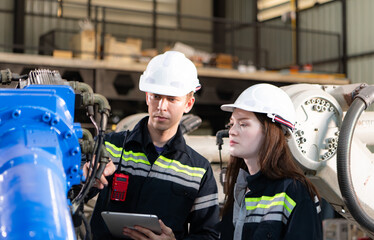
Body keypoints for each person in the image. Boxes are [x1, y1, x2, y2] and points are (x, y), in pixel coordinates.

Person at [84, 51, 220, 240]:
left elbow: (209, 235)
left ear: (188, 104)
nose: (161, 106)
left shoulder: (199, 169)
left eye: (172, 99)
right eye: (156, 96)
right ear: (147, 97)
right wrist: (86, 177)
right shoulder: (109, 146)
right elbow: (71, 197)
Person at [216, 83, 322, 239]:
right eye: (231, 124)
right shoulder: (240, 190)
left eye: (243, 124)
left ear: (270, 131)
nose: (232, 131)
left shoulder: (295, 193)